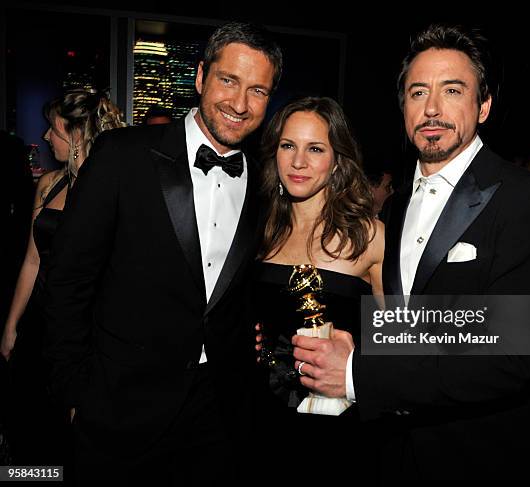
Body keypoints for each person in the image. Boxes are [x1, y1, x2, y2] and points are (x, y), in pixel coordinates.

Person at [292, 24, 530, 484]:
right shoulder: (398, 203)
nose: (432, 109)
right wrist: (362, 341)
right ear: (403, 106)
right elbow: (414, 323)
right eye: (418, 92)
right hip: (394, 448)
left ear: (483, 106)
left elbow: (509, 359)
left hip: (483, 455)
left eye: (452, 90)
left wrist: (356, 374)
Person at [43, 22, 282, 486]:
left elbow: (238, 286)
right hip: (119, 404)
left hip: (218, 411)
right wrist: (72, 391)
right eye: (228, 80)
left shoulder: (265, 182)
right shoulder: (122, 155)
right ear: (199, 77)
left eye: (258, 90)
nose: (239, 103)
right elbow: (68, 277)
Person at [255, 96, 384, 483]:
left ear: (337, 159)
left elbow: (405, 336)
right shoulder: (258, 231)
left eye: (315, 149)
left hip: (337, 426)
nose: (298, 162)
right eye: (288, 146)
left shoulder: (370, 237)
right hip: (256, 417)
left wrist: (356, 364)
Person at [1, 89, 124, 467]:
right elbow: (31, 261)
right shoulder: (48, 183)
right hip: (37, 321)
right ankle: (27, 476)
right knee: (26, 422)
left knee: (68, 436)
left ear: (74, 134)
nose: (43, 138)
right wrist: (10, 326)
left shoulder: (112, 191)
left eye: (51, 129)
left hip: (81, 331)